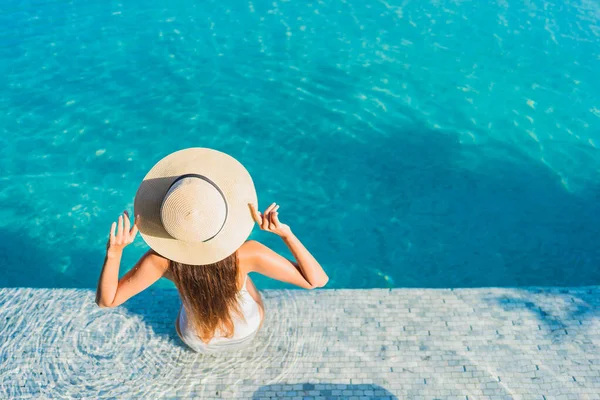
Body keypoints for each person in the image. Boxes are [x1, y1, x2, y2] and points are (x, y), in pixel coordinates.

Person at [95, 148, 328, 353]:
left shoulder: (161, 261)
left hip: (195, 339)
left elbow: (107, 301)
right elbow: (316, 280)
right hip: (244, 332)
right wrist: (286, 234)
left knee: (194, 295)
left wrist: (114, 253)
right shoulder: (248, 255)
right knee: (245, 283)